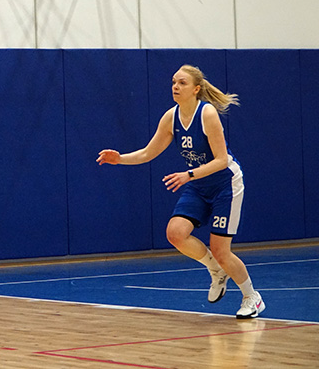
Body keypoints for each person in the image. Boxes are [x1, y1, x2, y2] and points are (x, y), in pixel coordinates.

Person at [97, 64, 264, 319]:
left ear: (196, 89)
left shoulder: (207, 113)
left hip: (225, 185)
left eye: (182, 83)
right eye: (174, 82)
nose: (176, 86)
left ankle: (252, 297)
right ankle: (215, 269)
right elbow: (147, 152)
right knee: (175, 233)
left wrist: (188, 175)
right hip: (198, 184)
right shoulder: (170, 117)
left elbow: (221, 160)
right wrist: (120, 159)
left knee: (221, 250)